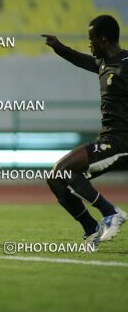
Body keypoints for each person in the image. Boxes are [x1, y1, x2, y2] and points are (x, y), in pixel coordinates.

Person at [42, 14, 128, 250]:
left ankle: (111, 213)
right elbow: (79, 59)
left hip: (121, 142)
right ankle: (92, 229)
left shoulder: (126, 63)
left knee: (62, 169)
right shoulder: (102, 63)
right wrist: (58, 47)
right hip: (107, 138)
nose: (89, 45)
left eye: (91, 39)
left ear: (103, 39)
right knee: (56, 178)